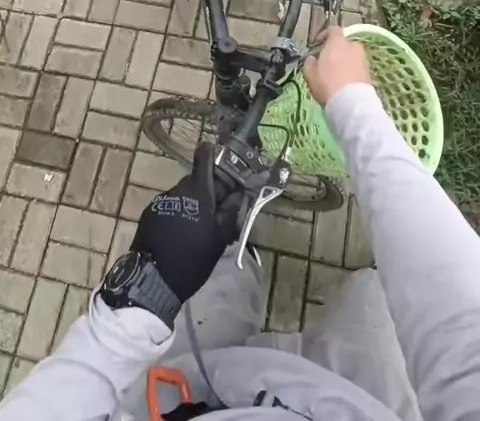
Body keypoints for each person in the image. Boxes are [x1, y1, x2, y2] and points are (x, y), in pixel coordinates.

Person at [1, 28, 480, 421]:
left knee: (227, 270)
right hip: (368, 393)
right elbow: (462, 327)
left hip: (188, 385)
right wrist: (354, 104)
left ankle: (240, 254)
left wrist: (140, 296)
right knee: (376, 300)